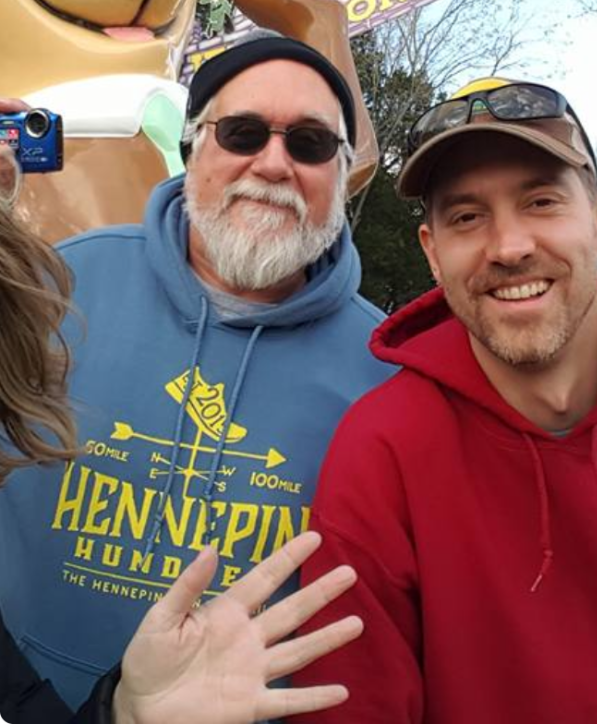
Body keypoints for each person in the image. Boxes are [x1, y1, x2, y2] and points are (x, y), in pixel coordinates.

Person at [0, 34, 390, 709]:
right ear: (190, 148)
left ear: (343, 171)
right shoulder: (49, 285)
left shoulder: (384, 370)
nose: (273, 164)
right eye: (241, 133)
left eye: (310, 143)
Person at [292, 76, 597, 724]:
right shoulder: (383, 448)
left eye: (541, 202)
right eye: (467, 217)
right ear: (433, 254)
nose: (509, 247)